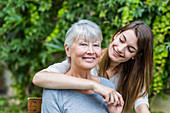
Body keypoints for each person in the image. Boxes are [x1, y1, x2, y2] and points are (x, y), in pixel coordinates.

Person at [33, 20, 153, 113]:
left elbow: (141, 106)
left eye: (130, 49)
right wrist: (94, 86)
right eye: (121, 40)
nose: (120, 49)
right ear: (116, 35)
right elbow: (40, 78)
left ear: (136, 55)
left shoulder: (130, 76)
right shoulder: (85, 61)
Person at [41, 20, 124, 113]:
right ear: (68, 49)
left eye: (96, 45)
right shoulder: (54, 90)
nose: (91, 51)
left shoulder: (107, 86)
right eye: (84, 44)